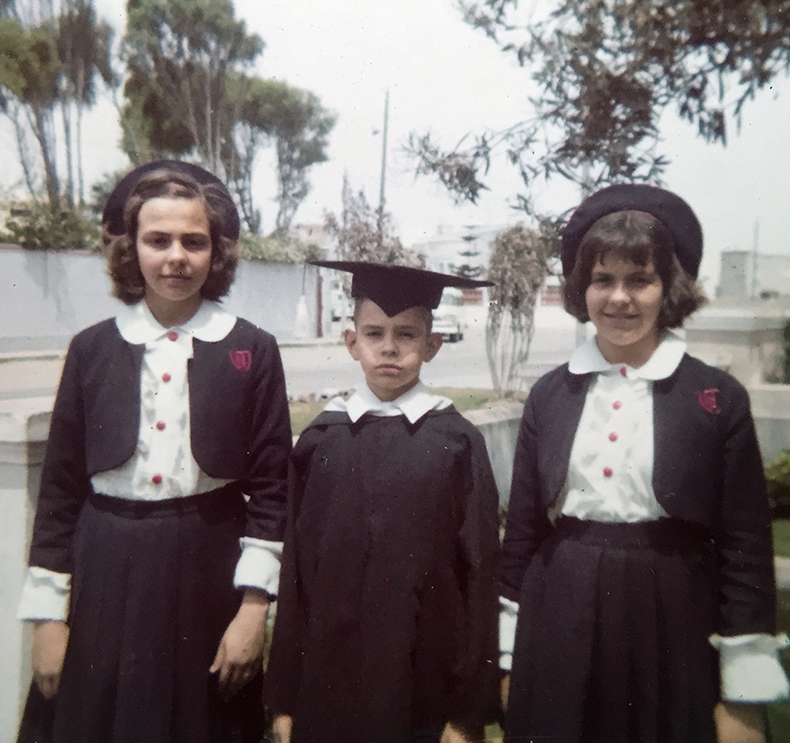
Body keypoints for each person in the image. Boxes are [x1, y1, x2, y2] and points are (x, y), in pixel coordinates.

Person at [499, 184, 790, 743]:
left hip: (672, 617)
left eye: (640, 280)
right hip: (561, 614)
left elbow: (745, 551)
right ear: (582, 288)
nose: (619, 299)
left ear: (669, 288)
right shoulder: (550, 395)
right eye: (603, 280)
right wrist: (509, 656)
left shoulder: (716, 397)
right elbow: (522, 536)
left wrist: (744, 692)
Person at [16, 161, 292, 743]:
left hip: (208, 569)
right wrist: (46, 619)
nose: (176, 257)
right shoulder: (92, 349)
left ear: (215, 254)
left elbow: (271, 489)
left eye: (194, 242)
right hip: (106, 573)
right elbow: (60, 491)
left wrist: (252, 611)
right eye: (157, 240)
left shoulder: (252, 348)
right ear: (130, 251)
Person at [264, 261, 501, 743]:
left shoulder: (456, 442)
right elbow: (295, 577)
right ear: (352, 343)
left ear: (433, 345)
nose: (389, 347)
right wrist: (285, 697)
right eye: (374, 333)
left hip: (424, 686)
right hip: (328, 684)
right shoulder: (319, 440)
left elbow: (480, 576)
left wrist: (468, 712)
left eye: (407, 335)